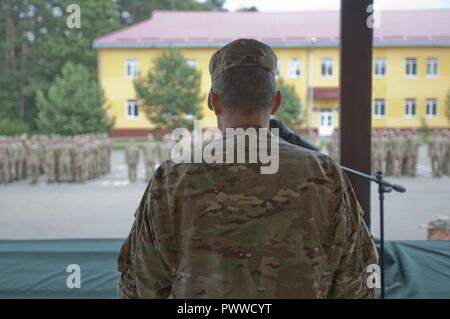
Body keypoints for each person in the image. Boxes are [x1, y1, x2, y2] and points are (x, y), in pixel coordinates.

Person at [117, 39, 378, 299]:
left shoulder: (173, 178)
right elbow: (358, 285)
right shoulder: (326, 175)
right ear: (275, 102)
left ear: (214, 101)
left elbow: (139, 288)